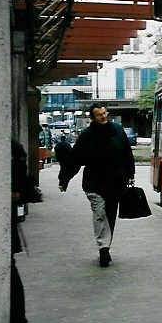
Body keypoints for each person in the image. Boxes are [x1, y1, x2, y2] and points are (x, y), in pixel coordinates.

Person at [59, 104, 135, 267]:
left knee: (110, 215)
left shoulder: (117, 130)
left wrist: (130, 174)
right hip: (94, 183)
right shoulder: (87, 135)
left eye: (104, 113)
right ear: (92, 118)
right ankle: (103, 248)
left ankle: (106, 246)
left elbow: (127, 154)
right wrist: (64, 179)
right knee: (100, 212)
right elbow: (75, 159)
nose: (103, 116)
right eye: (99, 115)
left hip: (116, 182)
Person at [10, 140, 30, 323]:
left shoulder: (11, 148)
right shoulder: (14, 147)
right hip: (9, 213)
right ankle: (17, 319)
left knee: (7, 265)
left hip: (5, 214)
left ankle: (16, 319)